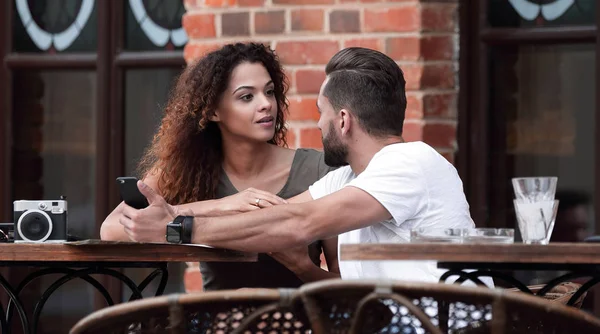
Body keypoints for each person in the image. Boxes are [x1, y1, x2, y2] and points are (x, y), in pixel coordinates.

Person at [118, 47, 476, 283]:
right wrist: (177, 214)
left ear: (344, 121)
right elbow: (278, 214)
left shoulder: (411, 161)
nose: (318, 125)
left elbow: (297, 222)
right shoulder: (346, 180)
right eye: (247, 96)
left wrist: (178, 228)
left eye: (321, 114)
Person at [101, 43, 340, 290]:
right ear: (213, 111)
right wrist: (220, 206)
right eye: (247, 97)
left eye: (269, 92)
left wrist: (304, 268)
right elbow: (111, 229)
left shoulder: (319, 169)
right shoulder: (189, 169)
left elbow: (349, 288)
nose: (266, 104)